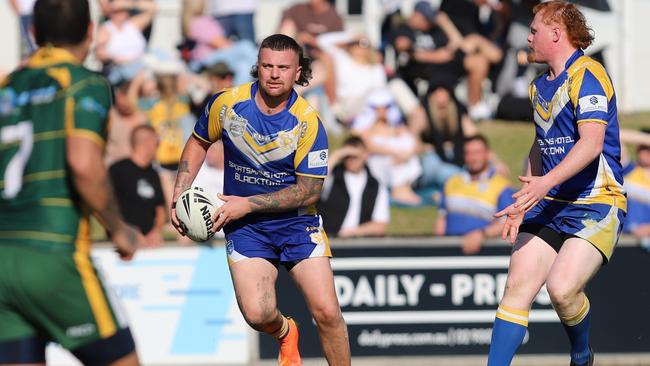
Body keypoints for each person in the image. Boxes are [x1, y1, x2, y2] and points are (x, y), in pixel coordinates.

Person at [170, 34, 351, 365]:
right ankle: (285, 332)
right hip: (248, 227)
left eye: (283, 67)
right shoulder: (227, 104)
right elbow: (198, 141)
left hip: (297, 223)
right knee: (257, 313)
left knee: (327, 312)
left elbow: (309, 191)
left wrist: (247, 203)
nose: (274, 74)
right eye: (267, 65)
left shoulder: (308, 122)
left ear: (298, 72)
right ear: (257, 66)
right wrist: (179, 191)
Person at [0, 0, 144, 364]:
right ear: (91, 33)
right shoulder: (84, 83)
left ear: (33, 33)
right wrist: (118, 229)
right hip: (53, 253)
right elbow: (84, 164)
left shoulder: (6, 87)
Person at [488, 2, 627, 366]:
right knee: (516, 288)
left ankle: (581, 355)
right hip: (551, 201)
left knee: (562, 290)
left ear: (556, 33)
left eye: (534, 30)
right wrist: (525, 199)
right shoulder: (539, 87)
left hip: (596, 200)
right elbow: (541, 144)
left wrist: (543, 184)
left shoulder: (589, 74)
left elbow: (591, 143)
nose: (528, 37)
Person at [434, 135, 514, 254]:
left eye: (477, 152)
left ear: (487, 154)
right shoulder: (451, 182)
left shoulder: (502, 186)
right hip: (451, 248)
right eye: (468, 153)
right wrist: (437, 245)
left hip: (484, 251)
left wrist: (482, 234)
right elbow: (442, 217)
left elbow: (508, 222)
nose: (473, 158)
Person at [318, 136, 390, 238]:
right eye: (347, 156)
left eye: (355, 156)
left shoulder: (375, 185)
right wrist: (338, 154)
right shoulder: (333, 176)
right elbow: (317, 181)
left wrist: (353, 232)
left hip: (359, 243)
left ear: (365, 155)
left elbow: (380, 225)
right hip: (328, 239)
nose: (350, 160)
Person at [110, 125, 167, 247]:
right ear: (147, 143)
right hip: (123, 242)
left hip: (150, 243)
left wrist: (155, 232)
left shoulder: (153, 173)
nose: (158, 146)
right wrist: (127, 232)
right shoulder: (117, 170)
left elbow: (160, 209)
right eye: (156, 142)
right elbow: (107, 205)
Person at [621, 128, 650, 239]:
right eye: (643, 147)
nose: (646, 151)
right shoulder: (629, 170)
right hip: (626, 240)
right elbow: (614, 135)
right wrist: (647, 139)